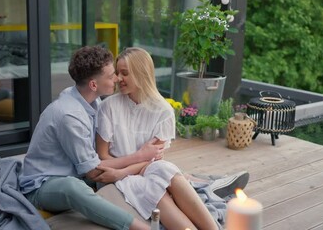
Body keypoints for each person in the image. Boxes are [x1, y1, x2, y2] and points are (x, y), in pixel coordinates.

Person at [19, 46, 162, 230]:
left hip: (75, 172)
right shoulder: (70, 116)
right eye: (111, 76)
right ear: (94, 85)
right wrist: (139, 157)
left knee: (126, 175)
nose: (117, 79)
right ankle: (140, 227)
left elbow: (97, 161)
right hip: (42, 186)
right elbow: (93, 172)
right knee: (75, 188)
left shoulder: (92, 101)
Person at [95, 47, 226, 229]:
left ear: (142, 73)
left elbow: (152, 161)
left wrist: (126, 169)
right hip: (116, 176)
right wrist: (126, 170)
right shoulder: (108, 107)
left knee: (165, 169)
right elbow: (102, 157)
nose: (118, 78)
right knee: (155, 187)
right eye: (117, 73)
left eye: (124, 73)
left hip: (140, 170)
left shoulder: (163, 111)